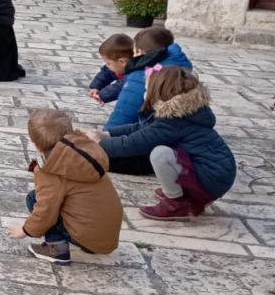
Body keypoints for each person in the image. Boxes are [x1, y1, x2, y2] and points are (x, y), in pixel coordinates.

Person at [90, 66, 236, 221]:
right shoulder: (182, 112)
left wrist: (98, 144)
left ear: (160, 93)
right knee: (165, 153)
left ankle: (176, 203)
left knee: (160, 154)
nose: (144, 94)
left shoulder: (174, 121)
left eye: (146, 90)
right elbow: (142, 128)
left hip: (210, 178)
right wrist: (107, 134)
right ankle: (184, 192)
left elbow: (134, 144)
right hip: (216, 174)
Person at [7, 109, 123, 266]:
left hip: (87, 235)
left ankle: (57, 249)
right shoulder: (86, 153)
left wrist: (26, 230)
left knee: (34, 198)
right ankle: (88, 243)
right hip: (105, 235)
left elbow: (46, 209)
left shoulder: (51, 169)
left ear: (36, 145)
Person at [103, 26, 192, 130]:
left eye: (134, 52)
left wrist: (106, 135)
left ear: (140, 52)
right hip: (182, 127)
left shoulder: (140, 74)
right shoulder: (183, 68)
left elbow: (126, 110)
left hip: (152, 130)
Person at [89, 33, 134, 106]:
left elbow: (119, 87)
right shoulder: (118, 66)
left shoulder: (133, 73)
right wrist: (96, 87)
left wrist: (102, 95)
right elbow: (106, 73)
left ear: (121, 62)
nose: (107, 65)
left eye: (108, 63)